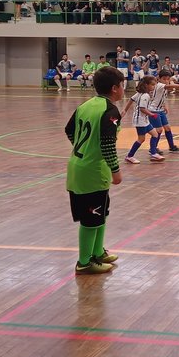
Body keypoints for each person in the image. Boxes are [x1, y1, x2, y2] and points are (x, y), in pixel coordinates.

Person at [65, 65, 124, 275]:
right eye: (123, 85)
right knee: (91, 219)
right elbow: (108, 144)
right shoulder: (109, 110)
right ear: (116, 88)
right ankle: (84, 261)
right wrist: (116, 170)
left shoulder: (86, 105)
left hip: (80, 167)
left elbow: (69, 130)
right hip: (91, 172)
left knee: (101, 213)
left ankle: (98, 252)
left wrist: (84, 148)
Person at [123, 76, 164, 164]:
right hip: (140, 121)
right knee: (141, 139)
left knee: (155, 134)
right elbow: (142, 109)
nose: (154, 87)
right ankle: (129, 156)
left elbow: (131, 100)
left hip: (144, 121)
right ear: (146, 85)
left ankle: (153, 153)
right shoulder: (145, 95)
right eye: (152, 85)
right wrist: (152, 114)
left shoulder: (139, 93)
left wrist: (125, 110)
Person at [148, 69, 179, 153]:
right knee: (158, 130)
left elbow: (161, 97)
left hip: (160, 110)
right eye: (164, 79)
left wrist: (164, 106)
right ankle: (153, 148)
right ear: (159, 79)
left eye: (167, 79)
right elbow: (169, 87)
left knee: (167, 128)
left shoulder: (163, 86)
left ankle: (172, 146)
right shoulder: (159, 85)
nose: (166, 81)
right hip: (153, 111)